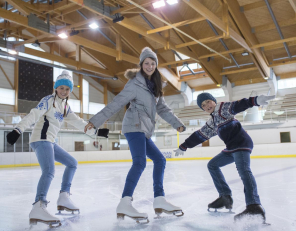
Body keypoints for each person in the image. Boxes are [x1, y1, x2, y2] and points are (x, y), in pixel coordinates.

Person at [85, 47, 186, 223]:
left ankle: (159, 199)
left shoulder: (155, 85)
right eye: (146, 63)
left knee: (160, 160)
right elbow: (116, 103)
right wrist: (96, 121)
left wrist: (177, 123)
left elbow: (163, 108)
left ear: (155, 65)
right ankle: (125, 202)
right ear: (141, 65)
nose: (149, 66)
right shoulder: (134, 84)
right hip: (133, 126)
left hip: (144, 130)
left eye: (152, 63)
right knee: (139, 162)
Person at [6, 70, 108, 227]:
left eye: (67, 89)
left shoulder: (65, 106)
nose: (64, 91)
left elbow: (79, 122)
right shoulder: (48, 101)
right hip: (41, 140)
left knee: (72, 163)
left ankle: (63, 197)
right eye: (61, 88)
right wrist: (17, 130)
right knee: (49, 171)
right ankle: (38, 206)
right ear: (56, 88)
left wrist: (96, 132)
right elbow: (33, 115)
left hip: (50, 142)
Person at [174, 92, 275, 224]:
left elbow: (238, 105)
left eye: (208, 102)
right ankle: (225, 197)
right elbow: (199, 135)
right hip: (231, 148)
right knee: (212, 165)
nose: (207, 105)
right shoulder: (213, 122)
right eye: (203, 105)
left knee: (244, 171)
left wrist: (255, 100)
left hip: (241, 143)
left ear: (214, 101)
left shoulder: (223, 109)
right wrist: (184, 146)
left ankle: (254, 205)